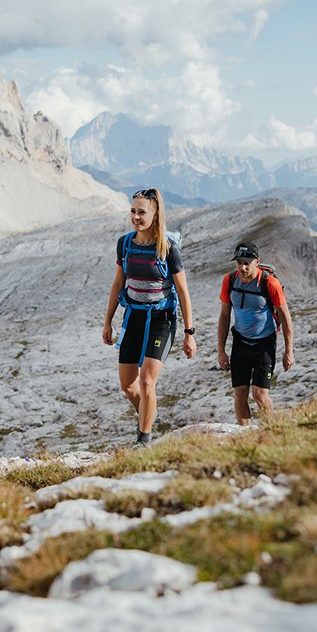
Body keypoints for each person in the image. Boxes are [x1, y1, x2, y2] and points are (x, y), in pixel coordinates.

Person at [103, 187, 197, 446]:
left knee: (146, 383)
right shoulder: (125, 244)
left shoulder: (168, 249)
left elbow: (183, 292)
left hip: (161, 320)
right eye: (133, 211)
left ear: (155, 215)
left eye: (142, 212)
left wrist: (189, 334)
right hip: (133, 317)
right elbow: (118, 283)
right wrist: (108, 322)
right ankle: (148, 412)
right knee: (128, 386)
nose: (136, 217)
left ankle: (143, 441)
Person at [217, 241, 294, 425]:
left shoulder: (270, 283)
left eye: (247, 263)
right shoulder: (229, 281)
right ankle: (245, 435)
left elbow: (286, 319)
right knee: (240, 393)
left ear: (256, 262)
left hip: (264, 345)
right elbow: (225, 316)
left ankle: (271, 428)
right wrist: (221, 350)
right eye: (239, 263)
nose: (242, 267)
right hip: (241, 344)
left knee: (259, 394)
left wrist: (288, 351)